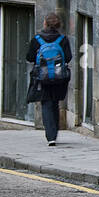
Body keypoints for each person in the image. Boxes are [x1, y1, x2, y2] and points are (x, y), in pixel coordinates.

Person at [26, 12, 73, 146]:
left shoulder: (37, 39)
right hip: (59, 78)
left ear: (45, 23)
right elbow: (68, 57)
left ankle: (50, 136)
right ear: (58, 25)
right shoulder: (63, 40)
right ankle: (54, 132)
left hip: (42, 77)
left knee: (46, 103)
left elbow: (29, 57)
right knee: (55, 103)